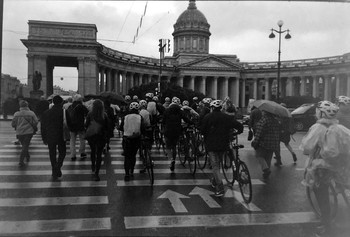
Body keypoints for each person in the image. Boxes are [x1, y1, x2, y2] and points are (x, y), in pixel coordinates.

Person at [300, 101, 350, 236]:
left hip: (320, 166)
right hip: (338, 165)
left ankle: (326, 227)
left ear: (320, 113)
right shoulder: (339, 128)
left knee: (322, 197)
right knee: (342, 189)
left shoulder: (318, 128)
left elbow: (306, 148)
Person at [201, 100, 243, 197]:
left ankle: (220, 187)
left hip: (211, 145)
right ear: (221, 108)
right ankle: (215, 180)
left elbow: (202, 130)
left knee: (215, 166)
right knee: (218, 163)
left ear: (212, 108)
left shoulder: (208, 117)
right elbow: (239, 126)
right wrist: (238, 132)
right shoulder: (226, 117)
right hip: (223, 144)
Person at [41, 95, 69, 180]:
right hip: (61, 135)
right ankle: (58, 166)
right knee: (62, 152)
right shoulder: (64, 112)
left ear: (53, 102)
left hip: (50, 135)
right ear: (61, 102)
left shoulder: (46, 112)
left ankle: (54, 169)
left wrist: (44, 138)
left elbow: (43, 127)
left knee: (52, 153)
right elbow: (69, 123)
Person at [162, 97, 192, 172]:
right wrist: (191, 123)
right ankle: (174, 159)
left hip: (168, 130)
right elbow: (186, 119)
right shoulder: (180, 111)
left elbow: (163, 120)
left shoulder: (167, 110)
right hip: (177, 130)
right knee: (174, 146)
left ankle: (171, 160)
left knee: (168, 147)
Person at [119, 102, 145, 181]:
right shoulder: (140, 117)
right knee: (133, 155)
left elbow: (121, 128)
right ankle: (132, 171)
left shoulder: (125, 117)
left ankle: (126, 174)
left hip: (126, 139)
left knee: (127, 157)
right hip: (136, 139)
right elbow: (142, 128)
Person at [251, 110, 280, 179]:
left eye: (263, 111)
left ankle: (266, 169)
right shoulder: (275, 121)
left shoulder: (263, 120)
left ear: (265, 112)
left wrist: (255, 142)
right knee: (268, 158)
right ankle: (266, 172)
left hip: (264, 142)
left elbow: (259, 132)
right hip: (273, 142)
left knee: (259, 155)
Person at [85, 99, 109, 181]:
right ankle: (97, 173)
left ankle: (93, 165)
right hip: (101, 137)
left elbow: (86, 124)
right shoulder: (104, 115)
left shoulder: (90, 114)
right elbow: (107, 127)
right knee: (99, 154)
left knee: (92, 151)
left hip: (91, 136)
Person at [11, 100, 38, 167]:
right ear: (27, 105)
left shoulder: (16, 114)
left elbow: (13, 124)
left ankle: (27, 155)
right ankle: (21, 160)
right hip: (29, 132)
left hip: (19, 132)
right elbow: (36, 122)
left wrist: (17, 126)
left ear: (20, 106)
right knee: (25, 145)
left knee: (24, 145)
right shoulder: (31, 113)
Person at [67, 94, 89, 161]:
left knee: (72, 141)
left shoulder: (70, 106)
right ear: (80, 100)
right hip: (80, 125)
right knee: (82, 139)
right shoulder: (82, 106)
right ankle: (82, 152)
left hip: (72, 126)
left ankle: (73, 155)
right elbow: (88, 113)